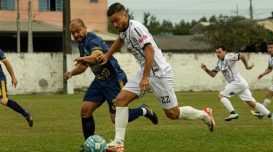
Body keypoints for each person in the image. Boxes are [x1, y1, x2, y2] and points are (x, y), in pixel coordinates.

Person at [97, 3, 215, 152]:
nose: (115, 24)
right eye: (112, 22)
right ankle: (118, 143)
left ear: (125, 15)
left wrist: (146, 78)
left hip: (160, 74)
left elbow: (150, 50)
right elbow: (120, 40)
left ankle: (204, 115)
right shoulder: (124, 30)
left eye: (116, 20)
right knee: (120, 100)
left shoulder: (135, 29)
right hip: (145, 71)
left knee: (173, 114)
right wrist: (108, 55)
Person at [64, 18, 158, 150]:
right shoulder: (81, 43)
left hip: (114, 80)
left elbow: (96, 56)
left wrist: (84, 58)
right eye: (73, 33)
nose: (76, 35)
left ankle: (143, 110)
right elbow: (84, 66)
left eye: (78, 31)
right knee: (85, 111)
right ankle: (88, 146)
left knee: (116, 119)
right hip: (99, 81)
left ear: (85, 28)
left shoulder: (92, 40)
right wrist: (71, 72)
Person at [201, 45, 273, 122]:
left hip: (237, 82)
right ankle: (271, 116)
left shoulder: (228, 57)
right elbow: (213, 74)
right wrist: (206, 69)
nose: (218, 54)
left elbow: (241, 56)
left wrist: (247, 66)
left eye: (219, 52)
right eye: (216, 53)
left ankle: (233, 113)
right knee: (252, 104)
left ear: (225, 52)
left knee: (221, 96)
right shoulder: (218, 63)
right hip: (240, 84)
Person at [0, 49, 33, 127]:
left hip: (0, 80)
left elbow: (6, 63)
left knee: (4, 100)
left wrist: (13, 77)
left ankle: (26, 114)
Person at [251, 42, 273, 118]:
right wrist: (262, 74)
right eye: (268, 48)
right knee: (268, 95)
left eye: (271, 47)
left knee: (268, 95)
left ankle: (262, 113)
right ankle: (262, 113)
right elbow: (270, 68)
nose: (269, 49)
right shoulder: (270, 58)